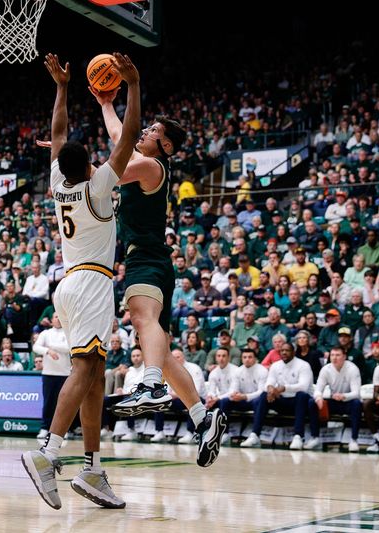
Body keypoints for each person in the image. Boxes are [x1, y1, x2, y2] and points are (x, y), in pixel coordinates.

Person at [92, 56, 226, 468]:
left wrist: (67, 163)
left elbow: (108, 170)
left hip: (146, 259)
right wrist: (104, 104)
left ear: (164, 146)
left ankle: (149, 386)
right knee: (164, 353)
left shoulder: (151, 165)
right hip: (152, 260)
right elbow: (121, 136)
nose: (144, 131)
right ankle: (204, 419)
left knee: (140, 317)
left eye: (152, 131)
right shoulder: (144, 160)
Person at [21, 52, 139, 511]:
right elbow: (128, 135)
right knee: (86, 371)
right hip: (89, 283)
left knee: (94, 377)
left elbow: (58, 134)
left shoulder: (60, 181)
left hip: (70, 282)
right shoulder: (96, 184)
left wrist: (63, 88)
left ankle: (91, 469)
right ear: (91, 165)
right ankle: (48, 453)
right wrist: (132, 84)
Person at [240, 342, 320, 450]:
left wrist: (283, 388)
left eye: (287, 350)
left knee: (301, 395)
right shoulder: (276, 365)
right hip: (282, 400)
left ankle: (298, 436)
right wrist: (270, 389)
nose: (284, 353)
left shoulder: (303, 365)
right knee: (264, 395)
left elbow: (304, 386)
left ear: (293, 352)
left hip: (299, 403)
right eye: (282, 351)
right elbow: (269, 382)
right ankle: (255, 435)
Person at [312, 346, 363, 452]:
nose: (334, 358)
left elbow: (356, 393)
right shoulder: (326, 369)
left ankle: (354, 440)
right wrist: (318, 398)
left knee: (357, 404)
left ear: (344, 357)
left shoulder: (352, 369)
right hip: (334, 400)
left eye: (338, 355)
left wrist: (344, 396)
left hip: (348, 401)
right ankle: (315, 438)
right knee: (313, 403)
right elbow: (317, 389)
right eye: (332, 355)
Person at [32, 313, 71, 440]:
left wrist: (52, 346)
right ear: (51, 320)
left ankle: (63, 430)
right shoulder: (45, 333)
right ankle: (45, 428)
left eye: (60, 316)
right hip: (48, 373)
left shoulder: (68, 332)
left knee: (64, 403)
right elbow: (36, 347)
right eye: (55, 316)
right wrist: (47, 350)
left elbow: (68, 348)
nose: (58, 318)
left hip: (64, 373)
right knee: (48, 402)